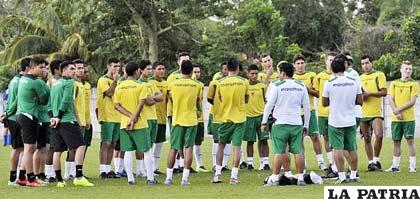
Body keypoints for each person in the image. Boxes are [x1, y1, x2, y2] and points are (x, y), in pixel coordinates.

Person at [262, 62, 310, 186]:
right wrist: (306, 125)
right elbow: (307, 107)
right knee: (298, 151)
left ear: (282, 73)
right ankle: (300, 178)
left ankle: (275, 178)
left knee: (279, 151)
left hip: (280, 123)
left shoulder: (276, 85)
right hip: (296, 123)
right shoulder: (301, 85)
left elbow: (269, 105)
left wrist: (264, 121)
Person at [322, 54, 362, 184]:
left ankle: (342, 176)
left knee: (337, 149)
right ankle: (354, 175)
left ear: (332, 69)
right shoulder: (353, 81)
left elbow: (324, 103)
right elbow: (360, 100)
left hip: (335, 121)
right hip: (350, 119)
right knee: (352, 149)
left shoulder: (329, 83)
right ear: (344, 68)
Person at [114, 61, 156, 185]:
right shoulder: (140, 86)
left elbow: (117, 106)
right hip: (140, 123)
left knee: (127, 151)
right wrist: (134, 118)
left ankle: (130, 179)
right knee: (146, 150)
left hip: (124, 124)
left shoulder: (119, 87)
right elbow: (141, 103)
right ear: (137, 72)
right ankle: (150, 178)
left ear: (125, 72)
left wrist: (129, 117)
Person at [164, 60, 203, 185]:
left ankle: (169, 177)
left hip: (176, 119)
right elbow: (198, 102)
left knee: (174, 148)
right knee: (188, 148)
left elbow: (169, 98)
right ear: (192, 71)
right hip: (191, 120)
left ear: (180, 70)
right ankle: (185, 178)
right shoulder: (196, 85)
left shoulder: (173, 84)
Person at [212, 58, 249, 184]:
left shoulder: (220, 82)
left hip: (225, 118)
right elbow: (247, 98)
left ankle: (217, 174)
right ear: (238, 68)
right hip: (239, 118)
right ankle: (234, 176)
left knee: (221, 145)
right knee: (237, 147)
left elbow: (220, 98)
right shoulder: (244, 82)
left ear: (227, 68)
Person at [15, 56, 50, 187]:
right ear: (32, 67)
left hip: (22, 115)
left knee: (29, 148)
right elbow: (45, 99)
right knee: (30, 148)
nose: (43, 70)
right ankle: (30, 179)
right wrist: (46, 81)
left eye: (45, 68)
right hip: (29, 116)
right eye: (41, 67)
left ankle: (22, 177)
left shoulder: (23, 79)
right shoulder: (36, 82)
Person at [292, 54, 326, 170]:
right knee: (299, 139)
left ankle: (321, 162)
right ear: (294, 65)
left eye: (302, 63)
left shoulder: (312, 76)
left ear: (305, 64)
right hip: (296, 113)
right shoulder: (292, 77)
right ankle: (303, 163)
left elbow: (318, 94)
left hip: (309, 111)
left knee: (315, 137)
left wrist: (307, 89)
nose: (300, 65)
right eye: (298, 63)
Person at [386, 61, 418, 173]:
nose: (408, 71)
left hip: (409, 119)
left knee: (410, 141)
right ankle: (395, 166)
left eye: (410, 69)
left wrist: (397, 110)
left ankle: (412, 166)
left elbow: (412, 101)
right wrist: (396, 112)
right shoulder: (394, 83)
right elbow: (390, 99)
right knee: (396, 141)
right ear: (401, 70)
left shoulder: (414, 84)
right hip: (396, 119)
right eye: (406, 69)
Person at [3, 58, 30, 186]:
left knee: (18, 148)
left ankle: (15, 177)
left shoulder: (14, 80)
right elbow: (16, 100)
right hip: (16, 117)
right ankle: (16, 178)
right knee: (22, 148)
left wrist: (6, 113)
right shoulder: (21, 81)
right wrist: (8, 113)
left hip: (12, 117)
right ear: (27, 68)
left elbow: (9, 99)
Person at [360, 55, 387, 171]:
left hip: (376, 111)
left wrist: (369, 94)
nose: (365, 66)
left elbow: (384, 92)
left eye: (367, 63)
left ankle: (376, 160)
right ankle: (371, 163)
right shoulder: (359, 77)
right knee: (366, 138)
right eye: (362, 64)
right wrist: (362, 96)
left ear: (371, 63)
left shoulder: (379, 75)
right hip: (363, 112)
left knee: (379, 135)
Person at [136, 60, 162, 177]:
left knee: (151, 144)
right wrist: (153, 98)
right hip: (144, 118)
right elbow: (147, 101)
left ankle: (148, 169)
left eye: (151, 69)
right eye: (148, 69)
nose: (150, 71)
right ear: (141, 70)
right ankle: (140, 169)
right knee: (143, 145)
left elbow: (160, 96)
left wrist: (153, 98)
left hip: (154, 117)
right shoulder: (138, 84)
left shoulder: (152, 83)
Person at [313, 52, 338, 177]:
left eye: (334, 60)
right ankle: (331, 163)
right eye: (329, 60)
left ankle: (337, 163)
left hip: (335, 112)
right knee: (326, 138)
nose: (331, 62)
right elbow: (317, 93)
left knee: (336, 139)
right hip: (322, 112)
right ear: (325, 62)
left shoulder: (338, 76)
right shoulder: (320, 76)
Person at [97, 58, 121, 178]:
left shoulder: (118, 81)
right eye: (114, 66)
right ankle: (103, 170)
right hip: (107, 116)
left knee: (113, 143)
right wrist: (115, 82)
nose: (117, 69)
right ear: (108, 67)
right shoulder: (103, 80)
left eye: (118, 67)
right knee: (105, 143)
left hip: (117, 117)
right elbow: (110, 93)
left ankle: (108, 168)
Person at [243, 64, 269, 170]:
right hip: (248, 117)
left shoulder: (262, 86)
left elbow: (266, 100)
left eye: (256, 74)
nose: (254, 76)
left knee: (264, 140)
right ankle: (250, 163)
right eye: (252, 74)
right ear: (248, 74)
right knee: (250, 141)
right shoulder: (244, 85)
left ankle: (265, 163)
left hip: (261, 116)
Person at [208, 65, 231, 171]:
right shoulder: (214, 83)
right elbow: (209, 98)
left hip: (228, 116)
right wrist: (218, 105)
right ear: (221, 70)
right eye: (224, 69)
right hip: (217, 116)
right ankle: (215, 164)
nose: (226, 71)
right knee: (217, 141)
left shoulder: (232, 83)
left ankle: (224, 164)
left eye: (228, 69)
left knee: (228, 141)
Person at [148, 61, 168, 174]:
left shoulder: (166, 83)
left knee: (159, 143)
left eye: (163, 69)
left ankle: (155, 167)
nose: (161, 71)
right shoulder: (150, 82)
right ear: (154, 70)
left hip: (162, 118)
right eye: (159, 69)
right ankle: (148, 167)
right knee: (149, 144)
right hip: (151, 118)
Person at [192, 63, 210, 172]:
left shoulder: (201, 84)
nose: (197, 74)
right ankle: (181, 165)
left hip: (200, 118)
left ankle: (199, 164)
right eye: (195, 72)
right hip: (190, 118)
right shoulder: (192, 84)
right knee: (187, 142)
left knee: (198, 141)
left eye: (198, 72)